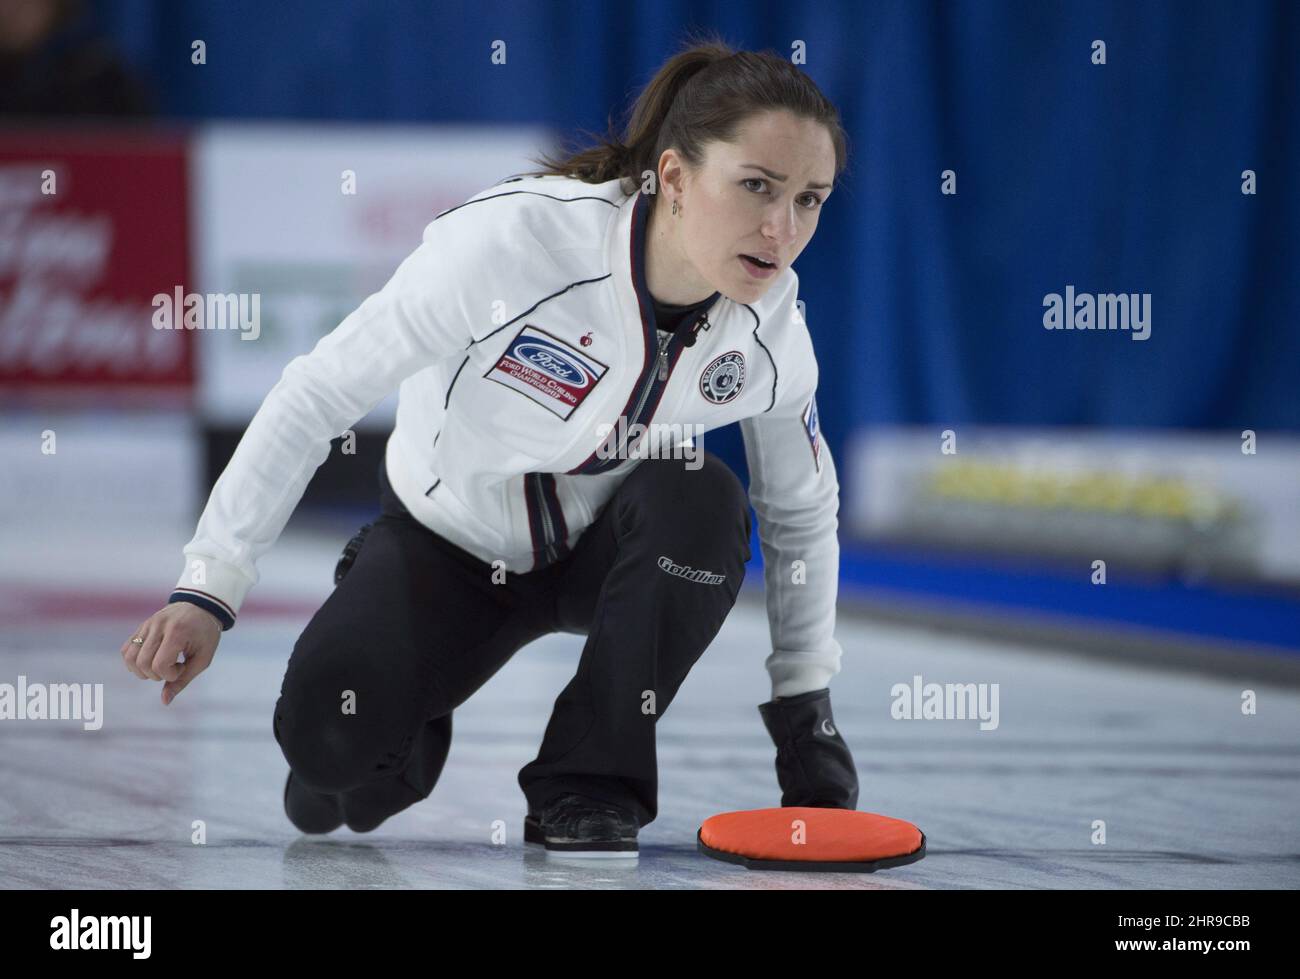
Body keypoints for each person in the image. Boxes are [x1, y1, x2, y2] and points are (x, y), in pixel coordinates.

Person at [119, 36, 859, 857]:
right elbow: (317, 391)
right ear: (677, 177)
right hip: (447, 546)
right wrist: (208, 586)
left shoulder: (772, 328)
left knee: (702, 498)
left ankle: (587, 784)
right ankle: (400, 708)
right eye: (756, 185)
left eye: (810, 200)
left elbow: (800, 509)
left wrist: (805, 707)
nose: (780, 228)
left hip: (598, 551)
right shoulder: (514, 245)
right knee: (334, 759)